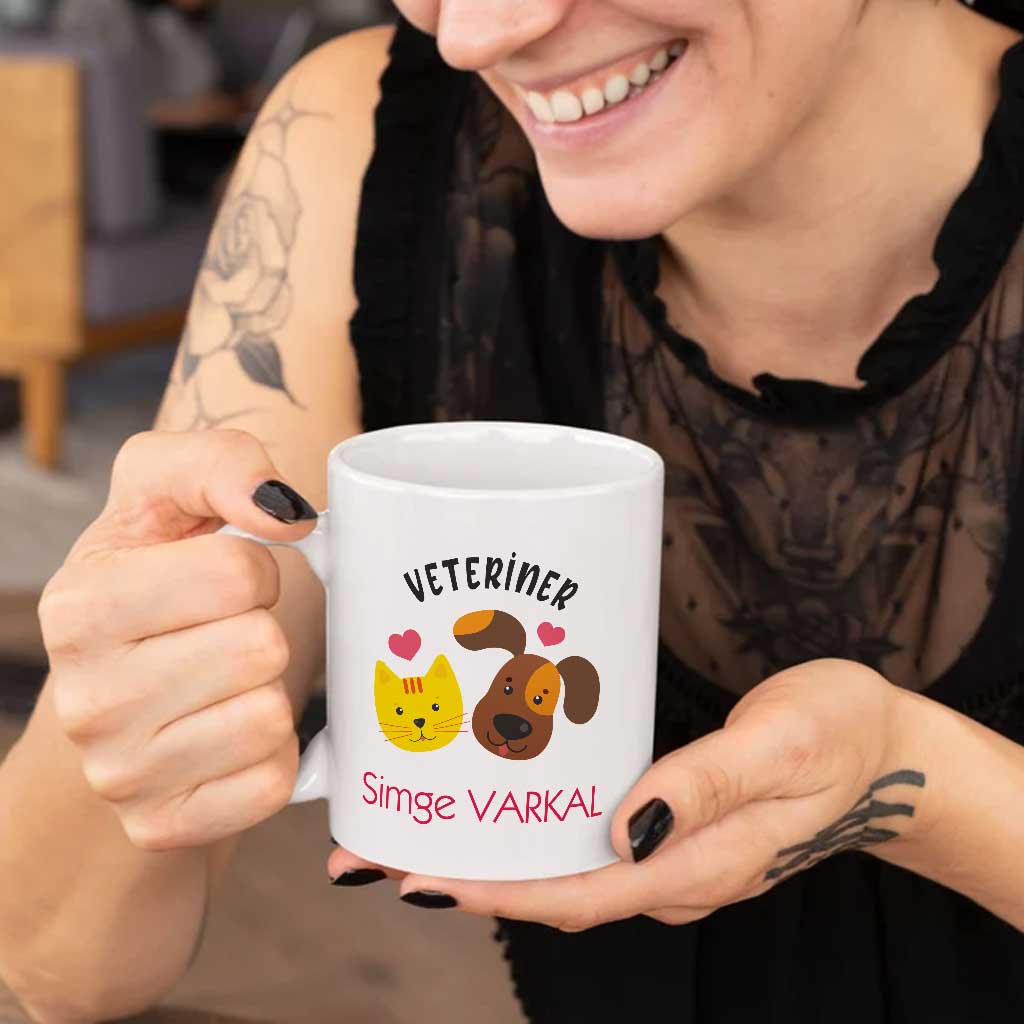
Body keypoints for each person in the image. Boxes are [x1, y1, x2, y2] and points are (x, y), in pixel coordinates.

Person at [3, 0, 1024, 1020]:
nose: (477, 34)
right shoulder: (353, 144)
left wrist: (914, 781)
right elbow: (59, 971)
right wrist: (127, 709)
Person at [52, 0, 260, 200]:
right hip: (149, 152)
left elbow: (200, 82)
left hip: (197, 138)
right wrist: (213, 109)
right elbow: (115, 110)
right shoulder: (96, 12)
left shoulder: (167, 20)